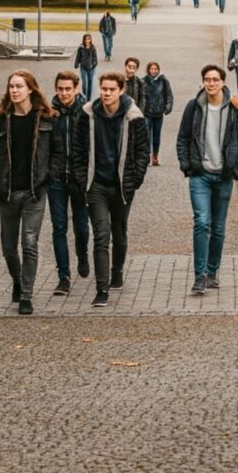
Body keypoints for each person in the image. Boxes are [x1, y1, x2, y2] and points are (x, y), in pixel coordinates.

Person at [0, 70, 60, 316]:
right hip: (7, 192)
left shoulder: (47, 119)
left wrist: (48, 177)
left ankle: (26, 295)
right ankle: (18, 280)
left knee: (29, 242)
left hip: (34, 192)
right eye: (11, 86)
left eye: (19, 86)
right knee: (8, 247)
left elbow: (58, 153)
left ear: (30, 89)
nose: (14, 91)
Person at [71, 72, 150, 307]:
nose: (106, 93)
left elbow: (142, 151)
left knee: (119, 233)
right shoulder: (87, 114)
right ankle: (101, 289)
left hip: (122, 186)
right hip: (96, 185)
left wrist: (135, 179)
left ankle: (117, 271)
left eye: (111, 90)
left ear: (121, 90)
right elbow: (77, 149)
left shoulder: (134, 117)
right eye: (103, 89)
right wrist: (81, 177)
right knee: (101, 236)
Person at [176, 65, 238, 293]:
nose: (211, 83)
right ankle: (199, 277)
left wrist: (237, 169)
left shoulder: (237, 108)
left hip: (224, 176)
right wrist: (187, 165)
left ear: (222, 82)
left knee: (218, 227)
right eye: (207, 79)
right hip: (200, 174)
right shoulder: (194, 107)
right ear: (203, 82)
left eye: (215, 80)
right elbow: (183, 138)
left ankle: (212, 271)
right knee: (202, 223)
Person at [49, 70, 90, 295]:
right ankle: (63, 276)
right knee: (59, 227)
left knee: (82, 227)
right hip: (56, 178)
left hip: (79, 177)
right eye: (60, 89)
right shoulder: (49, 113)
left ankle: (82, 253)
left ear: (77, 89)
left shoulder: (86, 113)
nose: (64, 93)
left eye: (68, 89)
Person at [142, 61, 174, 166]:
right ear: (148, 70)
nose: (153, 71)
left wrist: (168, 107)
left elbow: (169, 95)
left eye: (155, 69)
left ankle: (155, 156)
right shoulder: (143, 81)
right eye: (151, 69)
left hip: (158, 113)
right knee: (146, 135)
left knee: (156, 136)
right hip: (147, 113)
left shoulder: (163, 81)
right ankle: (146, 155)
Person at [74, 32, 98, 101]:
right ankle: (84, 95)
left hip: (91, 68)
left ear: (90, 40)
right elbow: (78, 57)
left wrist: (94, 64)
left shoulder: (93, 48)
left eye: (88, 39)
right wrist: (76, 64)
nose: (87, 41)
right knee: (84, 84)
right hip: (83, 67)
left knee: (90, 83)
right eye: (86, 39)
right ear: (84, 40)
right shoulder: (81, 48)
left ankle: (88, 99)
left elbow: (95, 58)